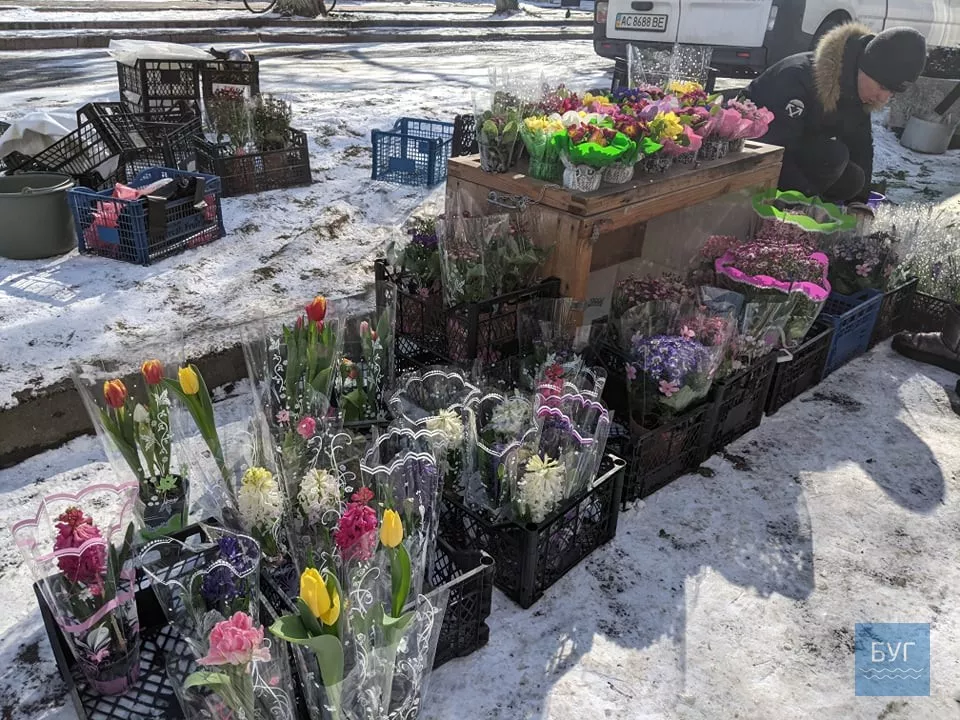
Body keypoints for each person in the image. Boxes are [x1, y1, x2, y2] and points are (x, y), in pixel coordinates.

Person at [745, 24, 927, 206]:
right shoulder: (798, 77)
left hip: (798, 148)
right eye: (882, 87)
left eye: (892, 93)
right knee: (832, 156)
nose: (884, 98)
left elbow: (861, 146)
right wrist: (805, 200)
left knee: (853, 179)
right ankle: (791, 204)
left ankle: (810, 202)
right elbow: (776, 147)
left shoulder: (859, 91)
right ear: (865, 68)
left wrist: (859, 202)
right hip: (753, 149)